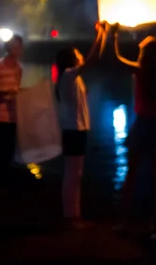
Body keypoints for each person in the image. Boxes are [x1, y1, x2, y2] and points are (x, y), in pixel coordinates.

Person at [112, 19, 156, 238]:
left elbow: (116, 58)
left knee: (132, 173)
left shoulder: (139, 71)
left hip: (143, 124)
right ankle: (155, 223)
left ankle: (124, 221)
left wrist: (114, 35)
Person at [55, 22, 107, 229]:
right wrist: (102, 34)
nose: (81, 55)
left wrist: (102, 35)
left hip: (77, 130)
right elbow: (94, 59)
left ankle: (74, 215)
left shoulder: (72, 78)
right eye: (77, 53)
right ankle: (71, 217)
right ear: (72, 60)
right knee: (72, 174)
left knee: (75, 174)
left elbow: (95, 59)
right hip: (73, 130)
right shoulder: (69, 75)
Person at [0, 35, 24, 195]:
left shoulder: (19, 69)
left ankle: (3, 185)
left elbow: (17, 90)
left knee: (9, 150)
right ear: (8, 47)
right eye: (15, 46)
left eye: (19, 46)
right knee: (0, 150)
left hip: (13, 115)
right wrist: (6, 93)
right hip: (0, 115)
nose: (17, 49)